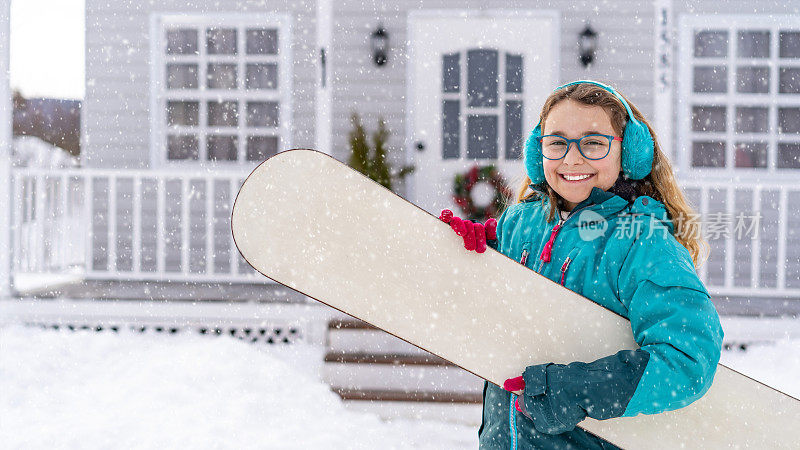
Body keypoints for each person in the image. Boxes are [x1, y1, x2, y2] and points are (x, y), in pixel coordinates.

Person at [439, 80, 724, 449]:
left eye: (593, 143)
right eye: (557, 143)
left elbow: (688, 358)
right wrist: (472, 249)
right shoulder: (519, 224)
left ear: (630, 153)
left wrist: (575, 390)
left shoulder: (643, 241)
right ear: (536, 152)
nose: (572, 159)